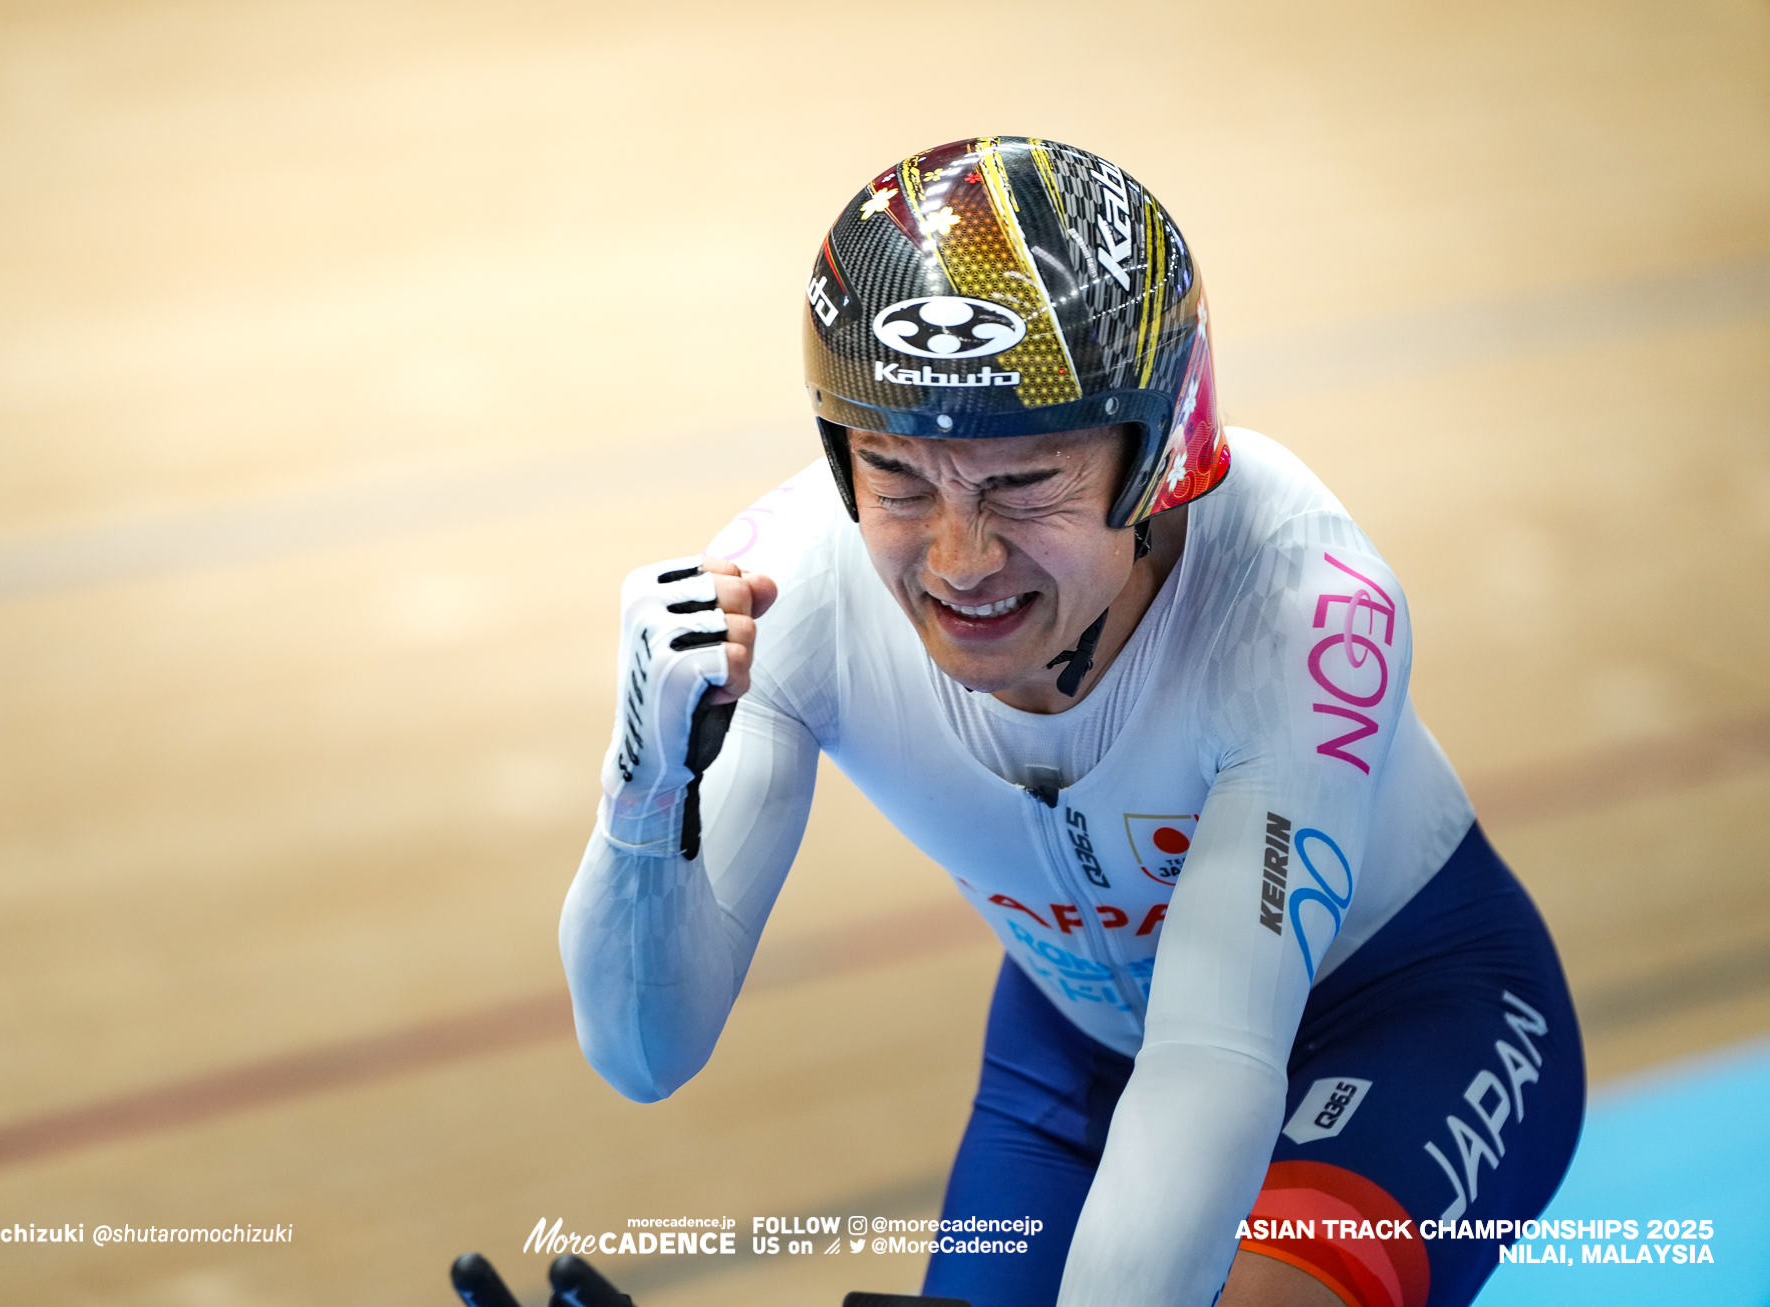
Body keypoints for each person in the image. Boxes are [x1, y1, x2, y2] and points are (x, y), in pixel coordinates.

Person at [559, 136, 1583, 1307]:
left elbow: (1209, 1062)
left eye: (1022, 482)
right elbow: (643, 1053)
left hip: (1408, 1015)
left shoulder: (1301, 607)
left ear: (1159, 459)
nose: (959, 560)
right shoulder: (790, 589)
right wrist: (643, 794)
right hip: (1077, 1053)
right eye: (896, 475)